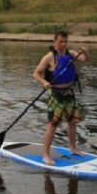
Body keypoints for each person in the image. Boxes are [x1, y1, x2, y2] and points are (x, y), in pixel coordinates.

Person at [33, 31, 89, 165]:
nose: (63, 44)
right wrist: (44, 82)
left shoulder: (72, 54)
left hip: (69, 92)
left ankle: (73, 148)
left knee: (72, 121)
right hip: (56, 94)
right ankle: (46, 155)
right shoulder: (49, 57)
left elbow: (85, 59)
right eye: (61, 41)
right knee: (53, 124)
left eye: (65, 41)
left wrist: (85, 52)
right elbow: (36, 73)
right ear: (55, 41)